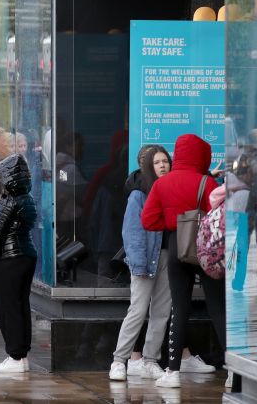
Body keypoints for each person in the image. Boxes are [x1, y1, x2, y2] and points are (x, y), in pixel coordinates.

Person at [141, 133, 225, 389]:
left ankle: (173, 372)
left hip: (178, 246)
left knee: (179, 308)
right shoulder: (206, 182)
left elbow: (148, 221)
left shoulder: (161, 185)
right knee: (218, 308)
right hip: (206, 248)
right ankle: (235, 370)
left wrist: (172, 224)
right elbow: (220, 217)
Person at [109, 144, 172, 381]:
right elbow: (132, 232)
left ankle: (150, 360)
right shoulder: (139, 194)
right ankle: (118, 360)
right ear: (148, 166)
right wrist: (138, 264)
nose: (162, 166)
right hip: (145, 258)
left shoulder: (169, 188)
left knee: (162, 311)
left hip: (167, 255)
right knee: (137, 310)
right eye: (157, 162)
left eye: (165, 161)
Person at [0, 154, 38, 373]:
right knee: (20, 306)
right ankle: (20, 355)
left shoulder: (7, 203)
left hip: (9, 259)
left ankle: (15, 356)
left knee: (7, 308)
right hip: (26, 256)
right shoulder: (27, 198)